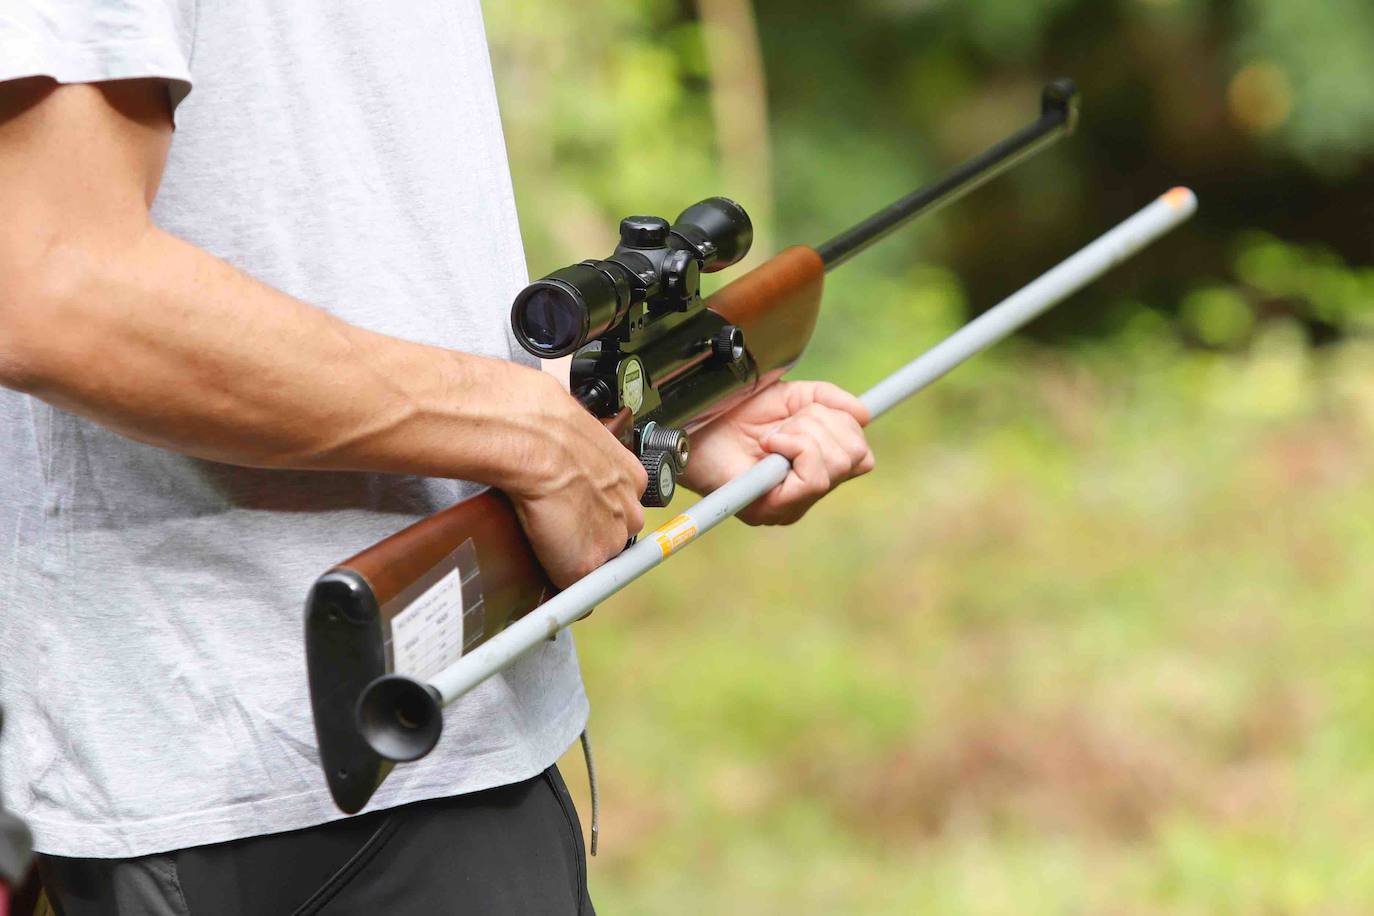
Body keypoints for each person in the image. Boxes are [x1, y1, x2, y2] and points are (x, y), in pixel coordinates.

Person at [0, 1, 875, 912]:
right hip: (261, 785)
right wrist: (516, 431)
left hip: (445, 725)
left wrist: (629, 408)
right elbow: (57, 282)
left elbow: (334, 240)